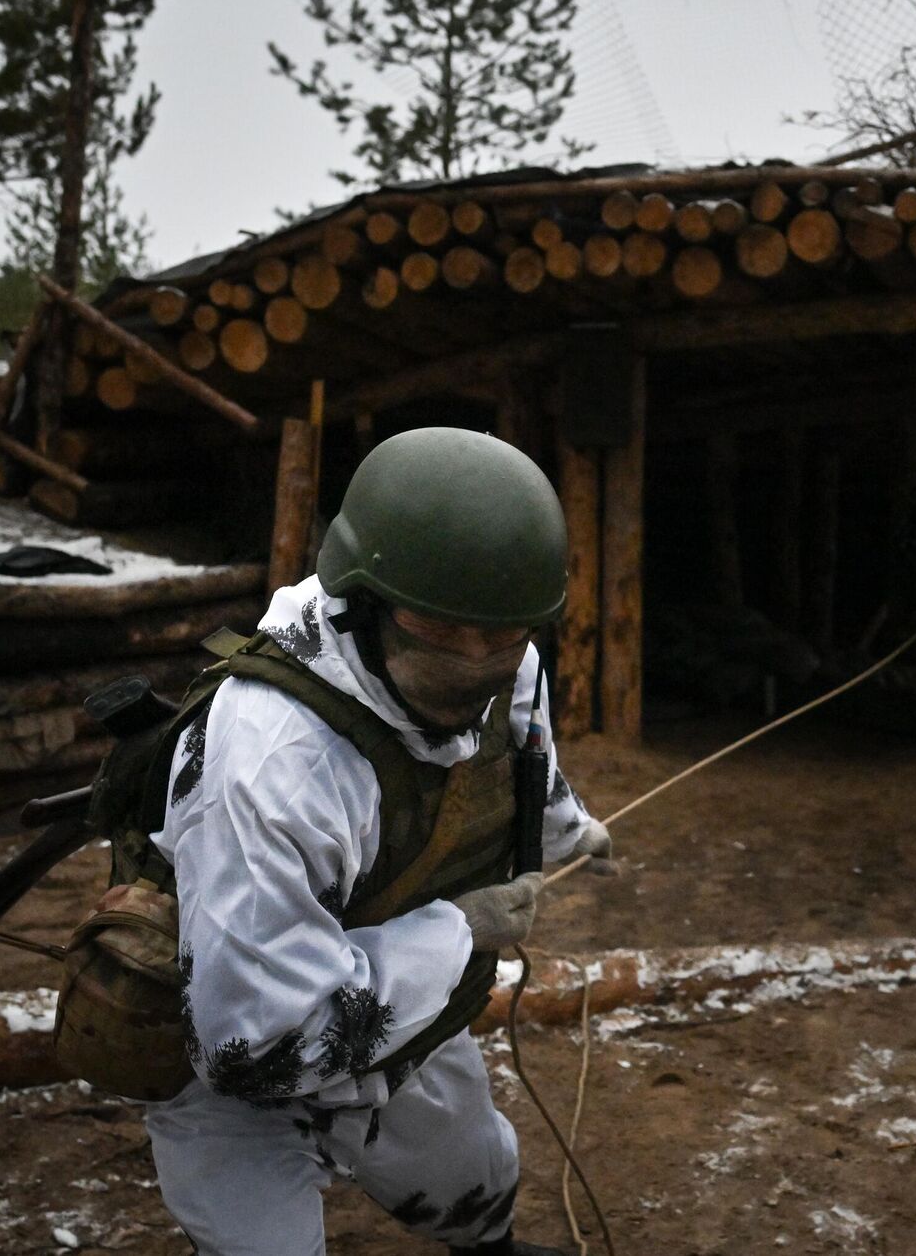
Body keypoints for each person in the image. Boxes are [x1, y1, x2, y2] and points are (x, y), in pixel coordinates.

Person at [140, 427, 613, 1255]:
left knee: (471, 1178)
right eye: (441, 639)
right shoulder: (273, 759)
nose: (475, 666)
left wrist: (571, 830)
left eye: (498, 643)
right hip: (234, 1026)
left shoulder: (506, 648)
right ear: (360, 606)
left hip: (388, 989)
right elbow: (258, 1047)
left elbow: (520, 762)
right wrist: (461, 931)